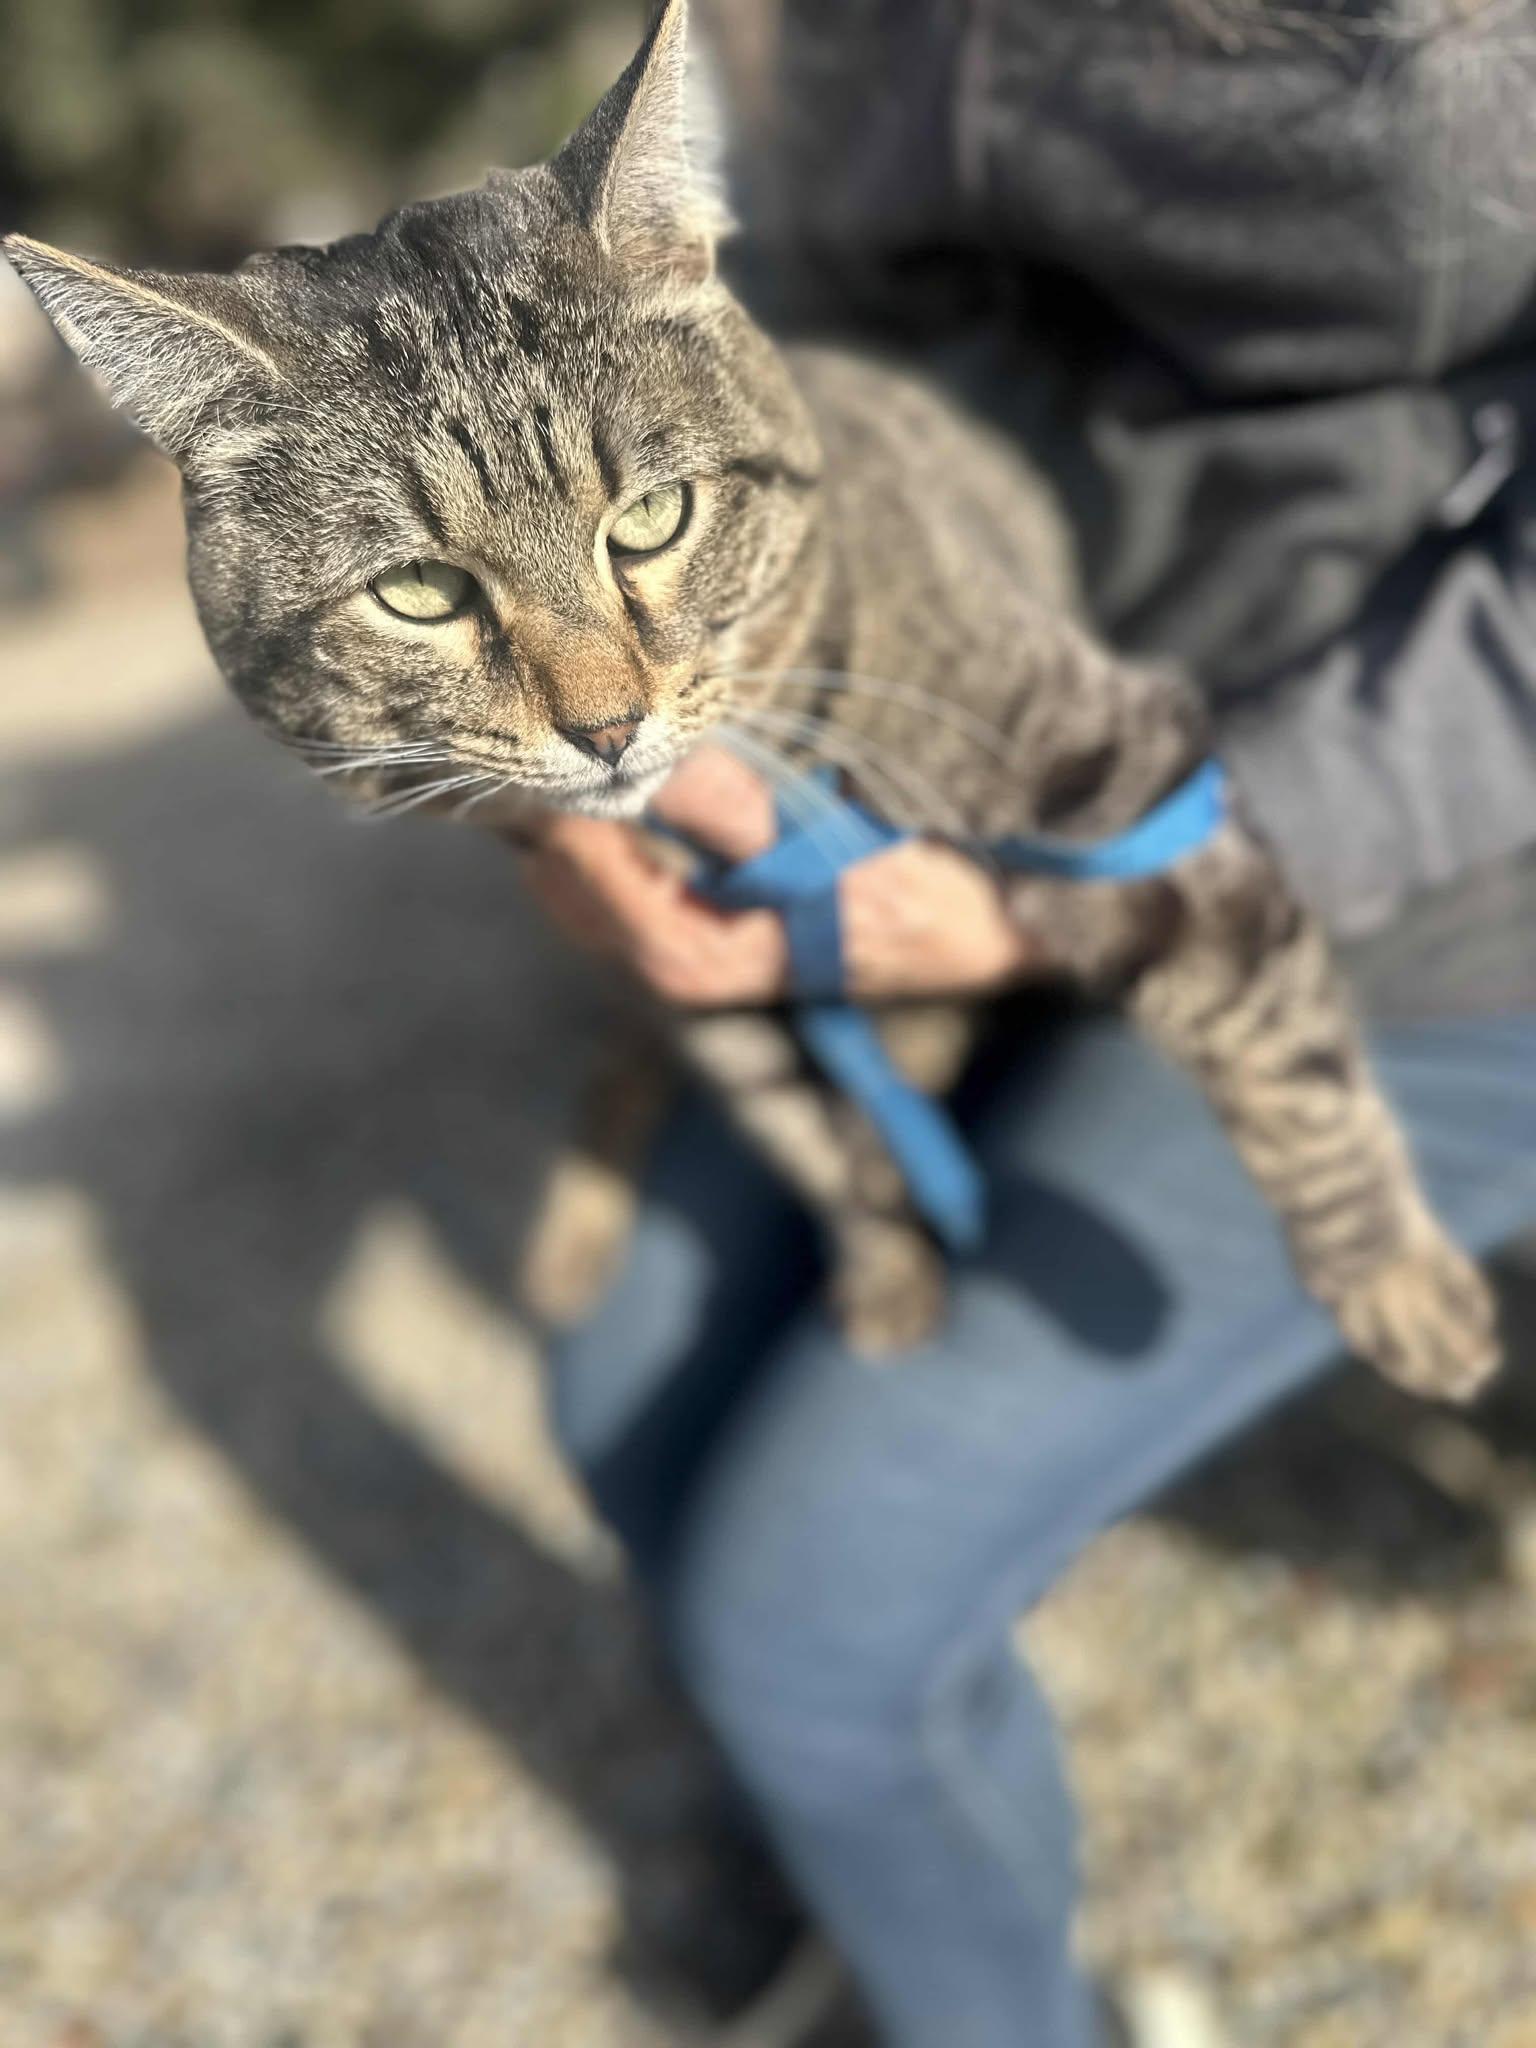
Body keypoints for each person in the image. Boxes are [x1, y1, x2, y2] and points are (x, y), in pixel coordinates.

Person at [521, 4, 1536, 2043]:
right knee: (620, 1387)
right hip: (937, 743)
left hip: (1412, 898)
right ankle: (883, 1869)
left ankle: (962, 1969)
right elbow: (753, 325)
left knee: (806, 1624)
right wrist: (586, 788)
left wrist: (1021, 912)